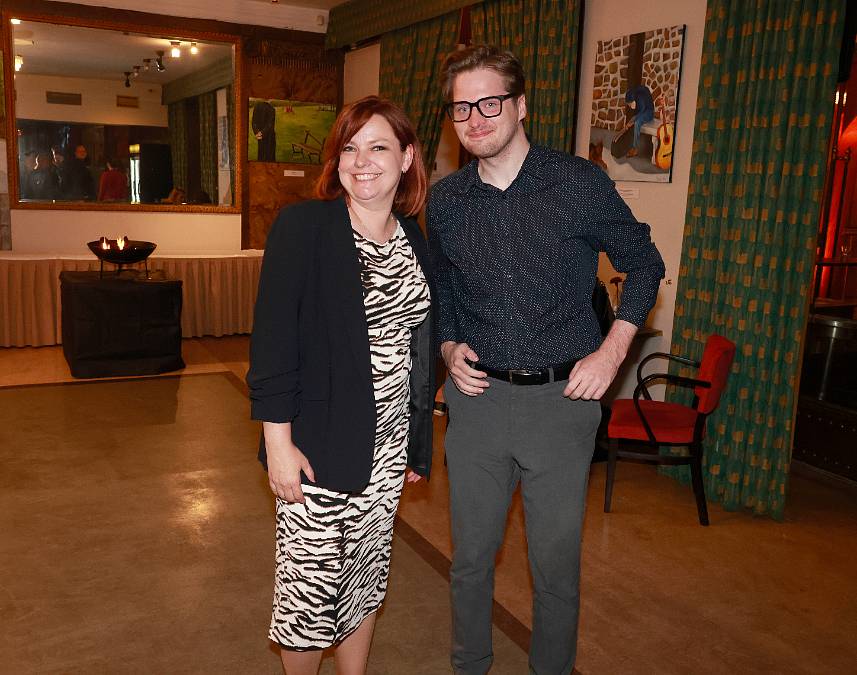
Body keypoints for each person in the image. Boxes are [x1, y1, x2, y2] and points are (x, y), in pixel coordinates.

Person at [427, 45, 665, 675]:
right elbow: (442, 289)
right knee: (470, 562)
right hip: (477, 405)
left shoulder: (577, 183)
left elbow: (645, 263)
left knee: (554, 570)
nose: (475, 119)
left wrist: (612, 351)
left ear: (521, 105)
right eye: (461, 108)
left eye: (489, 103)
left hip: (562, 406)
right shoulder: (446, 201)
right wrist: (448, 346)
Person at [246, 95, 435, 675]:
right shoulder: (305, 228)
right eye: (350, 149)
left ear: (407, 158)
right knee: (308, 598)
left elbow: (417, 349)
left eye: (378, 147)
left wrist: (415, 445)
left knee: (365, 580)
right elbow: (273, 344)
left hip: (387, 449)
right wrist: (278, 445)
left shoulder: (413, 238)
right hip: (319, 449)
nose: (362, 162)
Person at [624, 84, 655, 158]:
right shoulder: (636, 94)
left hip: (649, 113)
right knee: (635, 120)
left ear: (631, 100)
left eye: (629, 104)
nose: (629, 106)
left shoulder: (639, 97)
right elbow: (638, 113)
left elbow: (642, 112)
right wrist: (630, 121)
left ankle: (635, 149)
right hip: (644, 111)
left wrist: (632, 122)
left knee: (637, 122)